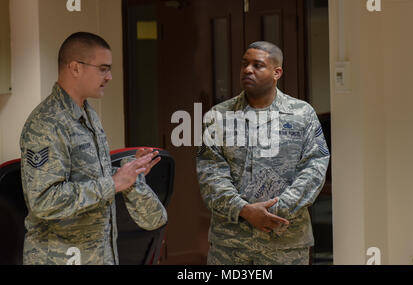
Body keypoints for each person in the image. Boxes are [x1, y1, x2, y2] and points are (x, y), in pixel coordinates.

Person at [20, 32, 167, 265]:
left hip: (97, 254)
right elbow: (44, 201)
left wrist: (128, 172)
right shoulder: (47, 122)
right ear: (75, 68)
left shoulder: (89, 115)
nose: (109, 77)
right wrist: (114, 182)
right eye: (103, 68)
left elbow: (87, 178)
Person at [196, 41, 330, 265]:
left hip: (285, 243)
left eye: (257, 65)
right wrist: (245, 210)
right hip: (231, 245)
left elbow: (314, 169)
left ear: (277, 72)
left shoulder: (302, 114)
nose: (248, 70)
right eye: (244, 64)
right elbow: (210, 174)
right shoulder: (218, 116)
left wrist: (275, 211)